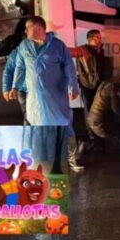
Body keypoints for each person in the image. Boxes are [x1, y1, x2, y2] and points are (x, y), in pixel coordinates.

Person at [10, 16, 84, 171]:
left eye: (28, 28)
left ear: (38, 28)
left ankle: (72, 158)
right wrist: (15, 86)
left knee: (64, 125)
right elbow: (20, 67)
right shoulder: (24, 45)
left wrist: (73, 87)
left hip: (55, 95)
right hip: (35, 97)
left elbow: (69, 67)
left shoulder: (57, 46)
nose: (25, 31)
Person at [72, 30, 111, 151]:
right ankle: (93, 139)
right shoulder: (82, 50)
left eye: (100, 37)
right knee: (89, 112)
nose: (99, 40)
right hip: (88, 86)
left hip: (100, 86)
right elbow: (67, 52)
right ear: (90, 39)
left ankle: (101, 138)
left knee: (101, 112)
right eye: (96, 38)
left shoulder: (102, 51)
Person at [2, 46, 27, 124]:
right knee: (28, 116)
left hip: (27, 89)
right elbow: (8, 71)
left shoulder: (17, 52)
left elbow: (8, 71)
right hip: (23, 90)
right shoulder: (17, 52)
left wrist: (6, 89)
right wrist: (6, 89)